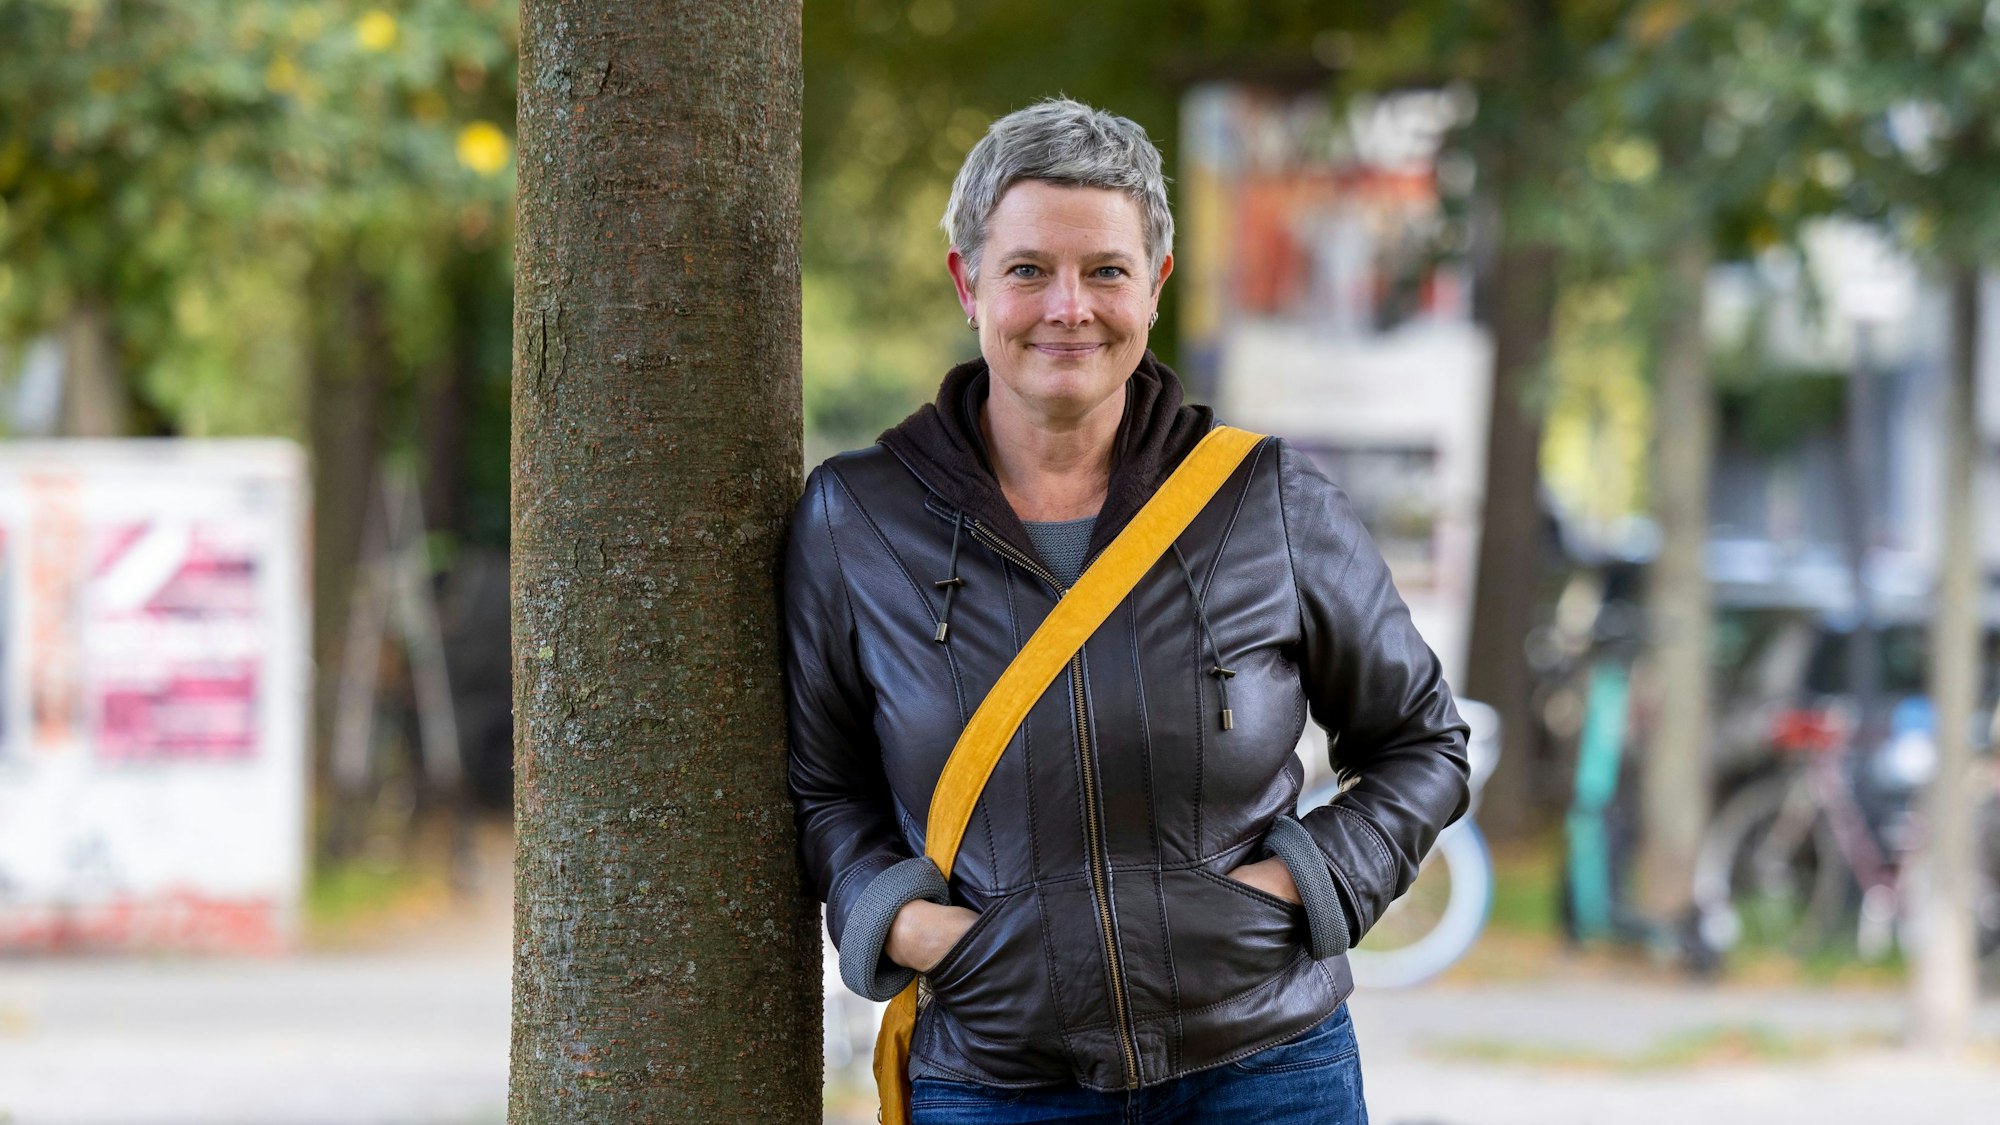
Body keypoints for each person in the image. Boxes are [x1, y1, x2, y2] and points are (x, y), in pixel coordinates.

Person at [783, 97, 1469, 1124]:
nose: (1068, 307)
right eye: (1026, 270)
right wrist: (910, 929)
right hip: (996, 1080)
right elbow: (822, 787)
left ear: (1153, 285)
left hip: (1266, 1068)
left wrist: (1300, 889)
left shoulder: (1265, 499)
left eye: (1104, 269)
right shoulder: (855, 519)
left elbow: (1422, 743)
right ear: (966, 283)